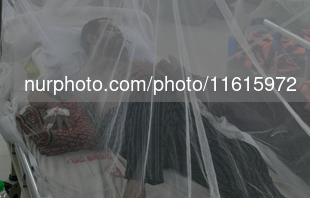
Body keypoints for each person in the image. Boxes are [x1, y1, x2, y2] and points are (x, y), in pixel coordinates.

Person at [29, 18, 285, 198]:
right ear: (91, 37)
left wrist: (176, 75)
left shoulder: (145, 63)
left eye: (120, 29)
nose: (119, 33)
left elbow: (183, 91)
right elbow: (32, 92)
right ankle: (137, 179)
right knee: (150, 88)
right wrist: (54, 104)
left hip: (176, 122)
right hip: (124, 124)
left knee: (241, 160)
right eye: (111, 29)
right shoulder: (80, 72)